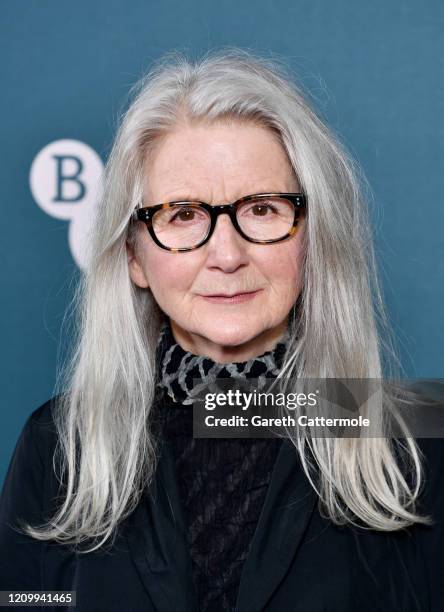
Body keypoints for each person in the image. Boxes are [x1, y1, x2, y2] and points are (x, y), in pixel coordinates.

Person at [0, 49, 443, 611]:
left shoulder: (414, 440)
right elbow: (25, 601)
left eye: (262, 209)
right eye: (183, 215)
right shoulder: (59, 444)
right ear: (134, 254)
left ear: (312, 238)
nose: (226, 254)